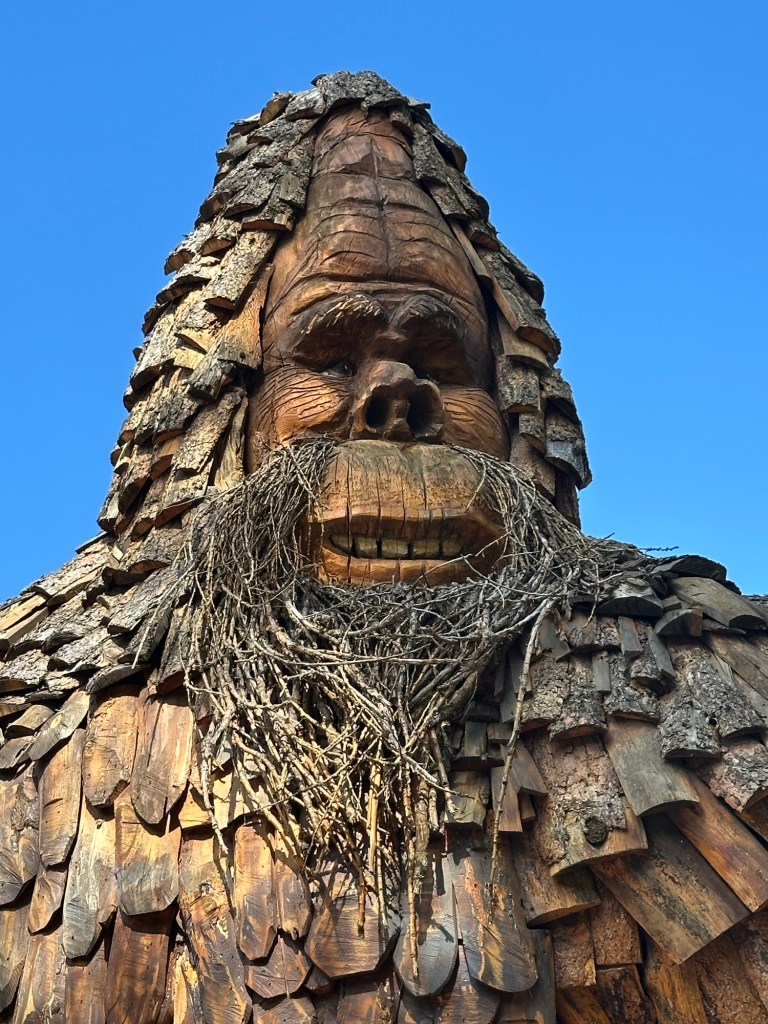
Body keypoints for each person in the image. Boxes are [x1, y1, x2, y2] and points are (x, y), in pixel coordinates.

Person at [1, 71, 767, 1024]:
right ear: (220, 415)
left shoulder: (711, 695)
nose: (396, 396)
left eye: (446, 361)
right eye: (329, 355)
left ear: (523, 415)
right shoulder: (32, 742)